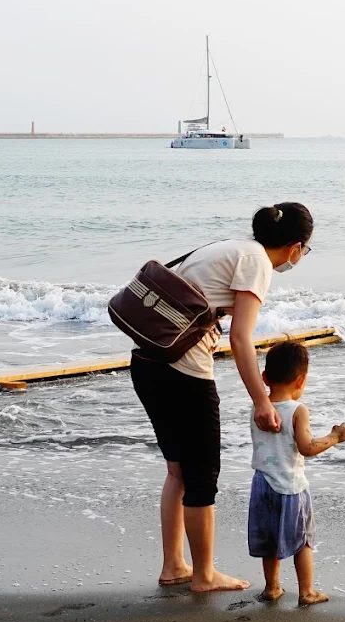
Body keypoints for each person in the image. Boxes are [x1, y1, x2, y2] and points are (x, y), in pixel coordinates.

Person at [131, 202, 313, 593]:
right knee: (201, 478)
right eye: (305, 251)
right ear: (296, 247)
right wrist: (262, 400)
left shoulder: (230, 247)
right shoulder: (257, 263)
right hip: (184, 374)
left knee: (177, 472)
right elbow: (241, 338)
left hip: (147, 363)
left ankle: (174, 566)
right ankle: (204, 575)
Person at [248, 339, 345, 606]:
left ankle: (272, 588)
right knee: (303, 541)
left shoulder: (259, 408)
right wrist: (334, 437)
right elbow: (307, 447)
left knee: (270, 541)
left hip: (262, 484)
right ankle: (306, 592)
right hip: (291, 487)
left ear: (264, 377)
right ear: (301, 379)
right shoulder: (298, 410)